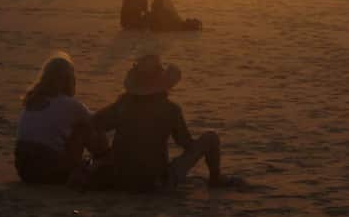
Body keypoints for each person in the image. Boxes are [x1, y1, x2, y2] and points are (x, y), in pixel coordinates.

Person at [90, 54, 228, 191]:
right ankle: (215, 179)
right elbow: (185, 143)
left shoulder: (122, 105)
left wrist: (105, 155)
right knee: (211, 137)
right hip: (156, 181)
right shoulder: (170, 109)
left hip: (119, 177)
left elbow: (94, 124)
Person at [14, 54, 108, 185]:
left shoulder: (32, 101)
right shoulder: (70, 104)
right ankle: (102, 161)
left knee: (72, 128)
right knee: (84, 127)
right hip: (49, 169)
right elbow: (97, 122)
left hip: (24, 169)